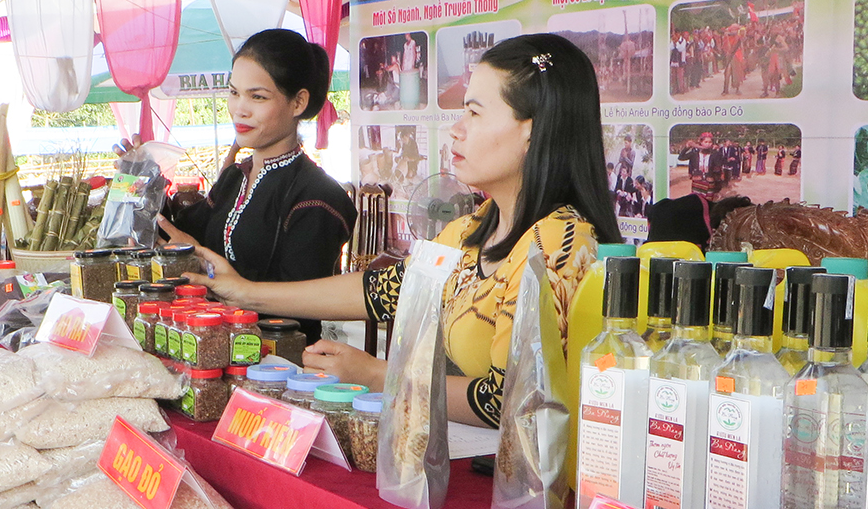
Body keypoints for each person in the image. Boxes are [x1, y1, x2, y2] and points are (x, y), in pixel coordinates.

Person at [173, 33, 618, 427]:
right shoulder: (471, 230)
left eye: (475, 114)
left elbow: (505, 399)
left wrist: (375, 376)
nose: (456, 131)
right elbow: (380, 290)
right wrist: (244, 292)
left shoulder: (557, 243)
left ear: (532, 131)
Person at [158, 29, 356, 343]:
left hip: (280, 367)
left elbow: (299, 311)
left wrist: (203, 260)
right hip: (210, 348)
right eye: (234, 92)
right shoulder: (235, 178)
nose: (240, 108)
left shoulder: (318, 198)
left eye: (257, 96)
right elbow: (176, 231)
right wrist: (141, 181)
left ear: (298, 102)